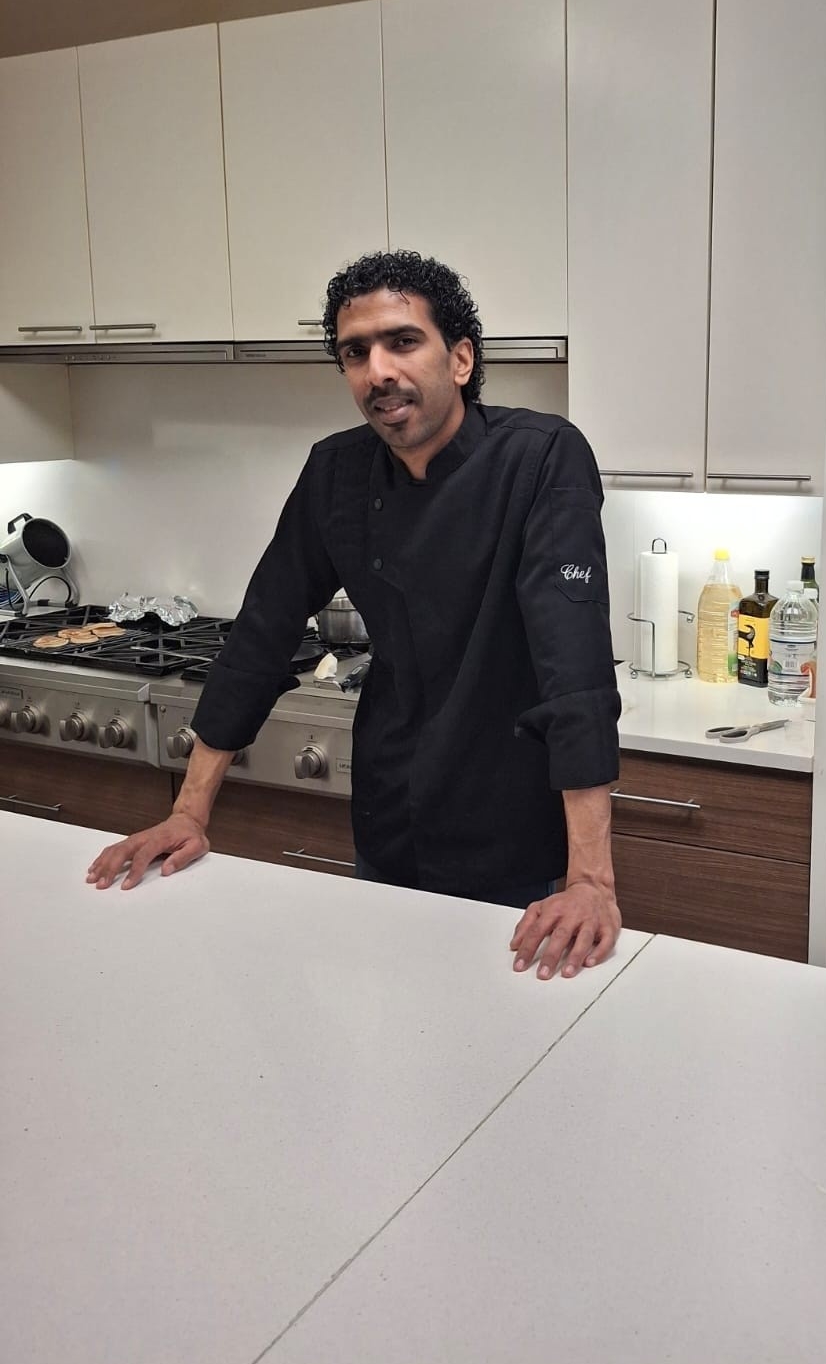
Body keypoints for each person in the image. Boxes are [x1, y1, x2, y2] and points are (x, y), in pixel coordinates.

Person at [86, 251, 622, 982]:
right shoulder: (336, 472)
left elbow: (574, 665)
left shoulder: (542, 458)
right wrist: (190, 812)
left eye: (403, 342)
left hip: (505, 828)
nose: (378, 371)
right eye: (355, 353)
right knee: (386, 1006)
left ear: (461, 358)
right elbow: (262, 633)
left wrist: (591, 879)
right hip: (387, 815)